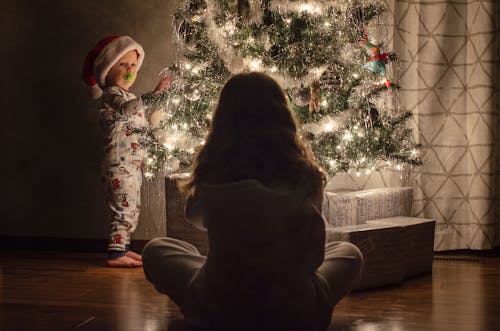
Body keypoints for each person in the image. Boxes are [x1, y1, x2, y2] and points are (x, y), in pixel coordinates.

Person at [142, 72, 363, 330]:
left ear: (222, 121)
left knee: (157, 250)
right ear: (283, 116)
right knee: (349, 254)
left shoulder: (216, 177)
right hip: (296, 311)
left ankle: (218, 281)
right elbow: (313, 260)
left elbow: (195, 217)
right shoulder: (305, 176)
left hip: (219, 307)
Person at [82, 35, 171, 267]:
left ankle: (123, 246)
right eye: (123, 64)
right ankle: (115, 252)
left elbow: (137, 126)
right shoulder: (112, 94)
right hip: (118, 164)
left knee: (132, 206)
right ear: (108, 69)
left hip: (131, 163)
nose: (130, 69)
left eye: (133, 65)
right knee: (123, 205)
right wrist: (153, 95)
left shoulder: (129, 95)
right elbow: (126, 110)